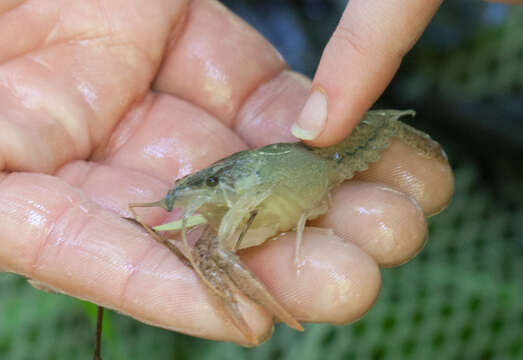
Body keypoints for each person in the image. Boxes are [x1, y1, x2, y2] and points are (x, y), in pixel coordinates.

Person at [2, 0, 514, 345]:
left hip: (338, 140)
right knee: (208, 241)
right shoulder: (225, 190)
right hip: (253, 34)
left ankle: (438, 57)